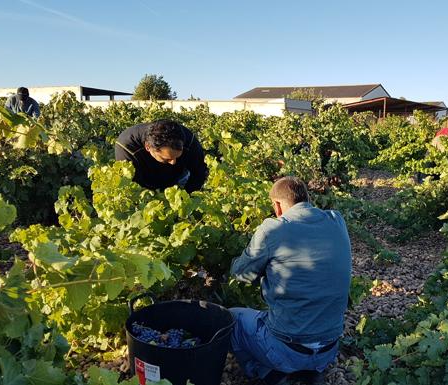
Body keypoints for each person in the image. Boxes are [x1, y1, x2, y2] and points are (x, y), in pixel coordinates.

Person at [229, 176, 352, 385]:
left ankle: (268, 374)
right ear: (307, 198)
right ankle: (310, 371)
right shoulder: (337, 221)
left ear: (277, 205)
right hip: (329, 350)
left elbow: (242, 273)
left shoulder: (273, 229)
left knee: (232, 318)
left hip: (287, 350)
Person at [114, 119, 208, 192]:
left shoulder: (190, 141)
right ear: (148, 147)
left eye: (177, 157)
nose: (173, 162)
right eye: (167, 159)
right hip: (145, 183)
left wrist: (186, 199)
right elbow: (130, 185)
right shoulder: (126, 146)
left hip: (178, 179)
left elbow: (199, 173)